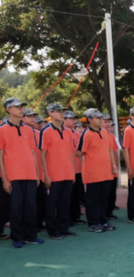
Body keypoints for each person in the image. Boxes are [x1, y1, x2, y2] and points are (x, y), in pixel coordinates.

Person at [0, 97, 44, 248]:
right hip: (13, 176)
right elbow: (0, 155)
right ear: (8, 110)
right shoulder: (2, 130)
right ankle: (17, 237)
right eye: (17, 107)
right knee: (16, 208)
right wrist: (5, 179)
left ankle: (31, 236)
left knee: (31, 206)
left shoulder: (28, 130)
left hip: (30, 175)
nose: (21, 109)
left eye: (22, 107)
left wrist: (37, 174)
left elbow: (33, 153)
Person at [77, 108, 118, 233]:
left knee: (103, 199)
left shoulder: (104, 132)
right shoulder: (86, 134)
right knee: (92, 200)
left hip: (106, 172)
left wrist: (113, 165)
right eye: (97, 118)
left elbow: (110, 150)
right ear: (89, 119)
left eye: (100, 117)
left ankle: (103, 221)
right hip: (92, 173)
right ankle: (94, 223)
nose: (100, 120)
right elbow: (79, 152)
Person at [40, 102, 76, 239]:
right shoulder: (46, 131)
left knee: (65, 202)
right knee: (52, 204)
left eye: (62, 111)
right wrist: (46, 175)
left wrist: (72, 172)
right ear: (50, 113)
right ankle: (53, 230)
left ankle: (64, 228)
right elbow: (42, 154)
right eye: (58, 111)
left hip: (67, 173)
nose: (61, 114)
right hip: (53, 175)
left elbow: (71, 153)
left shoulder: (68, 131)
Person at [101, 113, 120, 219]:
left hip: (112, 170)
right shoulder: (97, 135)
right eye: (105, 121)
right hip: (103, 171)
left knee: (111, 192)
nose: (108, 124)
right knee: (104, 194)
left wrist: (116, 166)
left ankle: (109, 212)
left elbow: (115, 152)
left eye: (109, 122)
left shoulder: (111, 136)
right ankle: (102, 215)